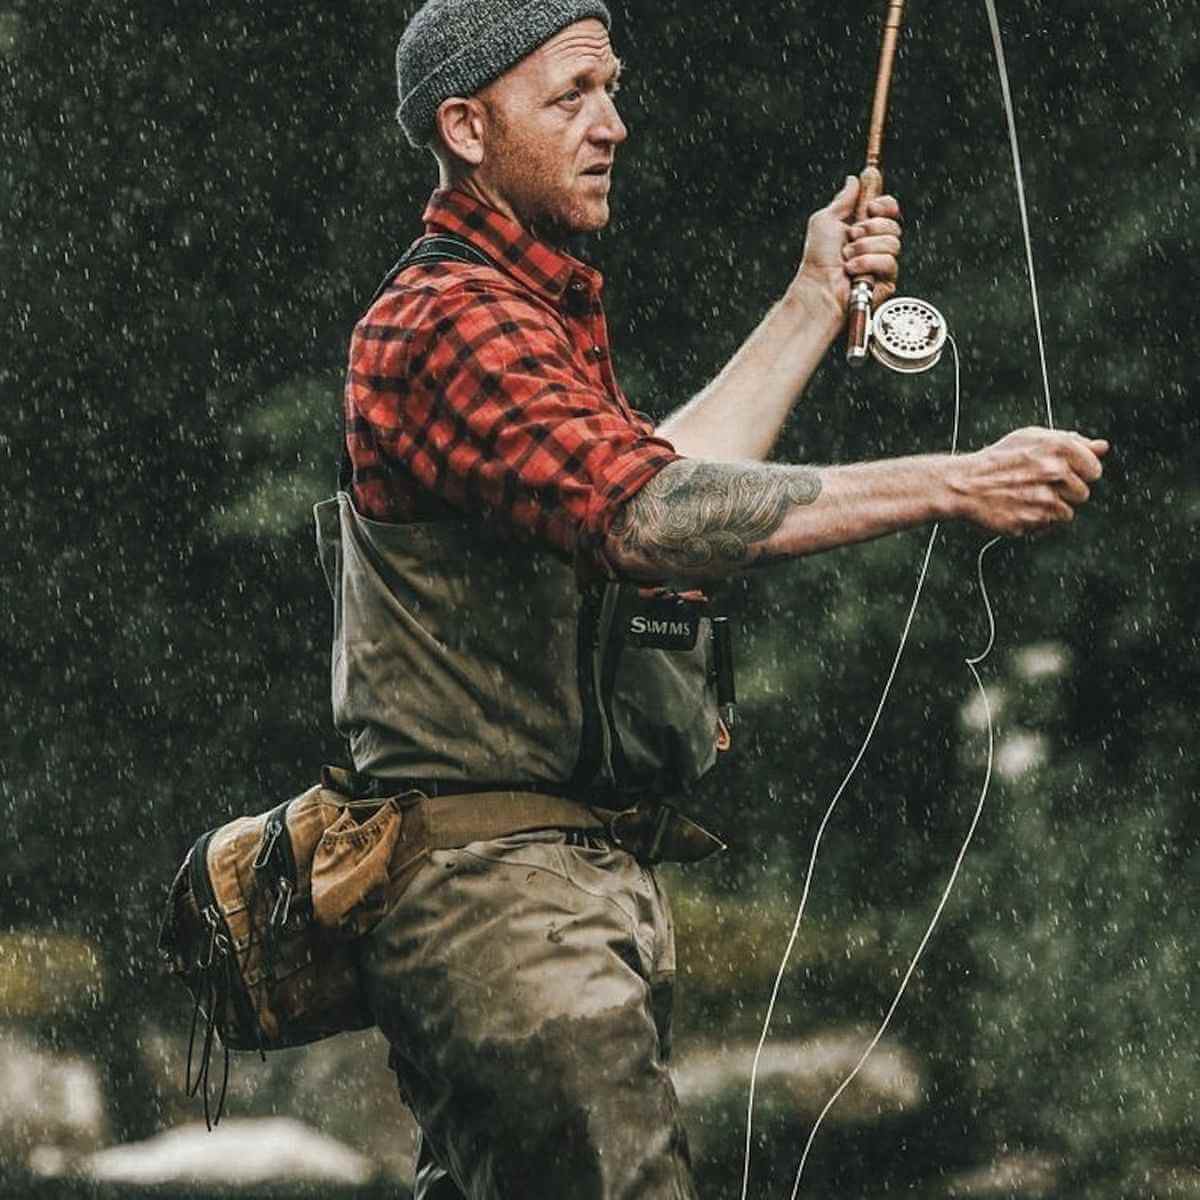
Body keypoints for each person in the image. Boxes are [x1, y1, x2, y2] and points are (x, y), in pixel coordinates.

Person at [315, 2, 1109, 1196]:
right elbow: (653, 519)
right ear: (466, 127)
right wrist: (956, 480)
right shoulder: (445, 322)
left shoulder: (530, 313)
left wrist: (812, 298)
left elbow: (652, 475)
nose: (613, 124)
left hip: (551, 894)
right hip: (499, 902)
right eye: (572, 95)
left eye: (613, 89)